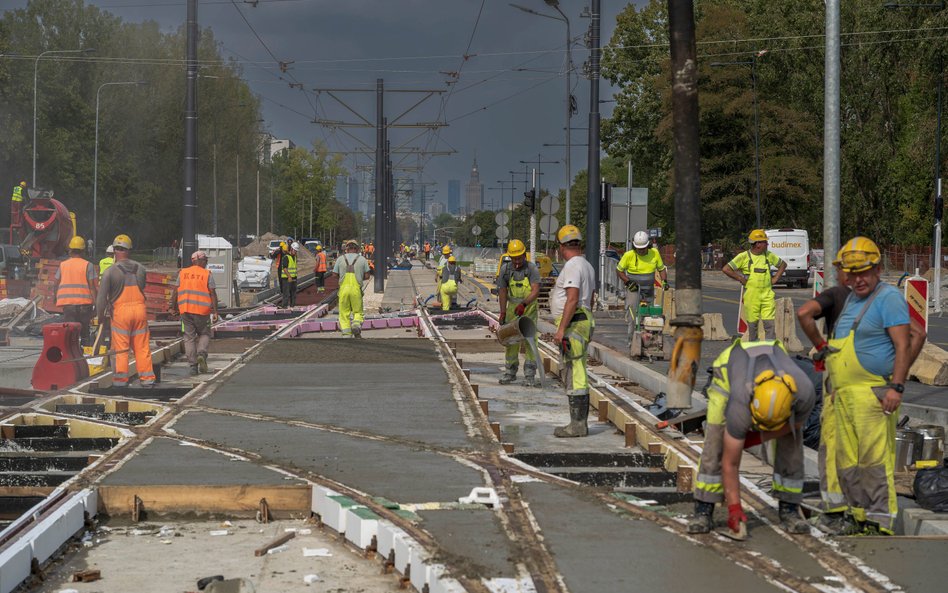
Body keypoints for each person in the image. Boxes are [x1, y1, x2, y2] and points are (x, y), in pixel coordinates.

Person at [824, 237, 917, 535]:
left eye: (863, 272)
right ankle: (856, 516)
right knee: (849, 461)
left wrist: (896, 386)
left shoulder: (887, 298)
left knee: (874, 462)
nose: (857, 279)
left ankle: (880, 523)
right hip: (845, 395)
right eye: (852, 273)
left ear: (877, 268)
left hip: (874, 394)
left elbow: (905, 344)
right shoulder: (853, 298)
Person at [688, 339, 816, 538]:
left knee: (792, 442)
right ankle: (704, 507)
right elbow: (730, 463)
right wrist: (734, 508)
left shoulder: (804, 392)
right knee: (715, 443)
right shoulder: (740, 402)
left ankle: (789, 507)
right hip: (729, 372)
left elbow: (796, 425)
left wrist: (757, 437)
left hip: (772, 358)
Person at [550, 225, 597, 438]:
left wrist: (561, 330)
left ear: (561, 246)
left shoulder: (572, 266)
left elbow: (572, 298)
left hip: (573, 323)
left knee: (575, 371)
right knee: (577, 369)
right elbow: (591, 299)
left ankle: (577, 425)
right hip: (583, 320)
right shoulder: (587, 265)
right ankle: (578, 423)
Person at [96, 234, 156, 387]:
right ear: (129, 250)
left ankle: (120, 381)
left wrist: (100, 316)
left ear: (114, 251)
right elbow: (141, 288)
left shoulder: (110, 271)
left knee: (121, 348)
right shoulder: (140, 269)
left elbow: (101, 298)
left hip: (121, 313)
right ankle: (147, 379)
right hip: (140, 311)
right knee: (142, 347)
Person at [723, 229, 787, 340]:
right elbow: (726, 269)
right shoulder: (744, 257)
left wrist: (776, 278)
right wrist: (740, 278)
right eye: (764, 242)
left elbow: (783, 264)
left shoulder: (768, 255)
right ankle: (753, 350)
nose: (767, 244)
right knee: (753, 326)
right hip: (752, 297)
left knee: (770, 325)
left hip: (767, 295)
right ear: (757, 244)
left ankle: (770, 349)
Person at [497, 239, 541, 386]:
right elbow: (502, 292)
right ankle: (510, 372)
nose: (516, 262)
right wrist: (503, 312)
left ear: (524, 255)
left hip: (528, 310)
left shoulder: (531, 269)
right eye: (514, 259)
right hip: (512, 311)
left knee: (530, 341)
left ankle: (530, 375)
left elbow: (535, 290)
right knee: (511, 341)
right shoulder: (505, 270)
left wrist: (524, 303)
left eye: (519, 258)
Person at [172, 250, 218, 376]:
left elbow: (175, 291)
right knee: (205, 334)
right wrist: (215, 312)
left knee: (189, 338)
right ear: (200, 261)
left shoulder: (183, 273)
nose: (207, 263)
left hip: (185, 310)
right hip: (202, 311)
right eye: (206, 260)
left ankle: (193, 366)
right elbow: (212, 293)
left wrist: (174, 307)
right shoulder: (207, 274)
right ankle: (201, 353)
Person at [617, 230, 669, 330]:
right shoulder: (629, 255)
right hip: (634, 288)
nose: (640, 251)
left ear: (648, 246)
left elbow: (661, 269)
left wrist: (664, 281)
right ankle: (632, 336)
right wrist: (628, 282)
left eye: (643, 249)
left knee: (651, 314)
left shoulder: (654, 253)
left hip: (648, 289)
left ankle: (649, 335)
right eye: (638, 249)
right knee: (632, 310)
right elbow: (619, 270)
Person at [54, 236, 97, 346]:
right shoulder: (88, 265)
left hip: (68, 305)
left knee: (70, 333)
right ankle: (85, 354)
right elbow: (92, 287)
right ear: (83, 250)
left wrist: (55, 298)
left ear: (70, 249)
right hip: (84, 306)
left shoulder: (63, 265)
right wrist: (96, 305)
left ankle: (71, 354)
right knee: (84, 332)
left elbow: (56, 283)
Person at [332, 240, 371, 337]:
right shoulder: (362, 259)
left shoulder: (340, 259)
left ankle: (346, 334)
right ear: (357, 249)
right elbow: (367, 276)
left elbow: (334, 274)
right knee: (357, 311)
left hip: (343, 290)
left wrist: (341, 278)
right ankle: (356, 324)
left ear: (347, 248)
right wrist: (359, 276)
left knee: (344, 313)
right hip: (356, 290)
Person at [280, 242, 299, 308]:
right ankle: (284, 306)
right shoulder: (286, 257)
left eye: (296, 251)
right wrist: (289, 277)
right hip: (286, 278)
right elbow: (284, 268)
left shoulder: (295, 257)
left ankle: (292, 306)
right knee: (286, 294)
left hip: (294, 278)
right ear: (291, 249)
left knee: (293, 294)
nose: (296, 252)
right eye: (295, 250)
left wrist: (294, 277)